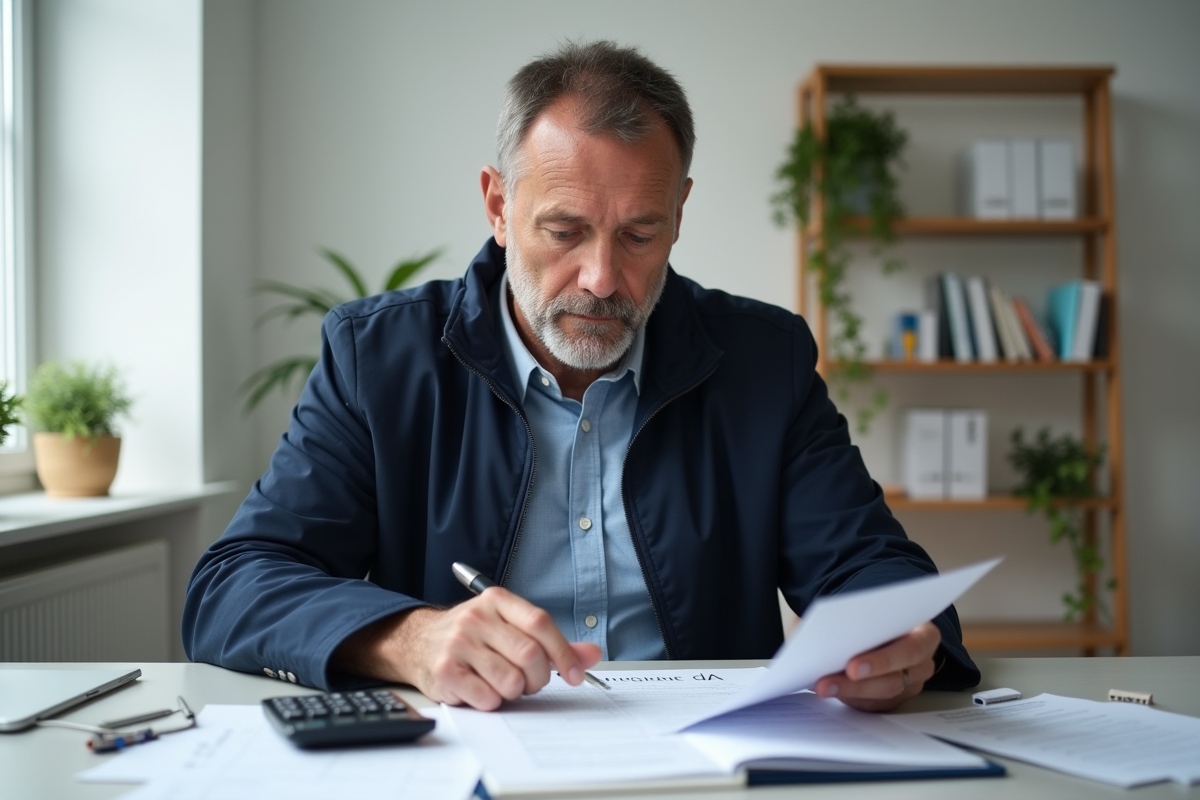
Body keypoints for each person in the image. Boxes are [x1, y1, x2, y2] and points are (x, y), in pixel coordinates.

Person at [183, 40, 979, 714]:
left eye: (640, 234)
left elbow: (871, 567)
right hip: (469, 757)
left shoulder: (763, 361)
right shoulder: (379, 358)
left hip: (706, 763)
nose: (601, 278)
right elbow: (233, 586)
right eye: (564, 230)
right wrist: (410, 638)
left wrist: (901, 640)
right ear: (498, 206)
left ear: (679, 214)